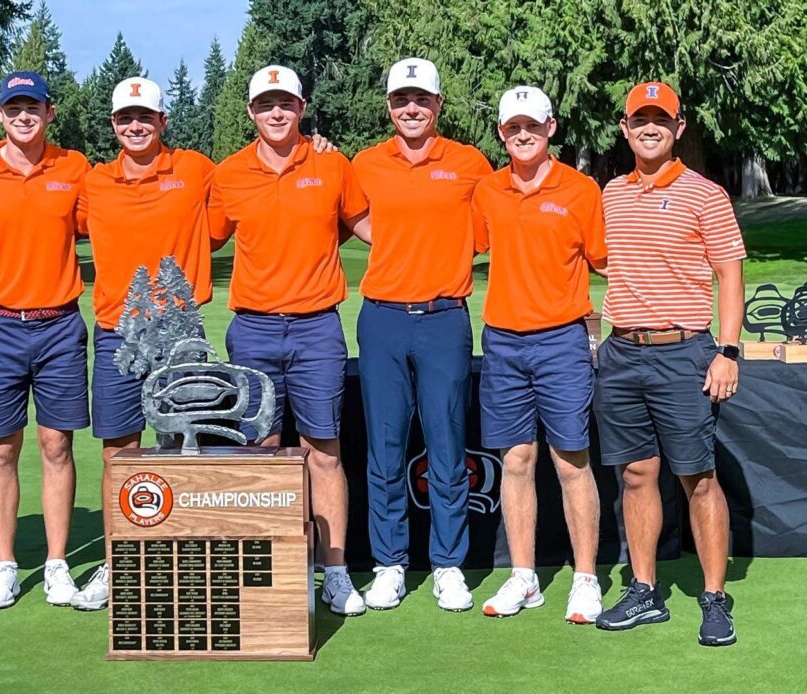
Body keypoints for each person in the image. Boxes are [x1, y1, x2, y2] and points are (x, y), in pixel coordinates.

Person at [209, 64, 372, 616]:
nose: (276, 113)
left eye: (286, 104)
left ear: (302, 109)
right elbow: (202, 235)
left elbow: (365, 223)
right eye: (265, 105)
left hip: (316, 327)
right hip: (252, 329)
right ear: (251, 113)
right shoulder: (228, 173)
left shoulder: (331, 163)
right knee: (259, 452)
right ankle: (271, 568)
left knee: (323, 451)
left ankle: (334, 571)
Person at [594, 82, 744, 647]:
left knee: (698, 479)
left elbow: (729, 274)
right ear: (625, 128)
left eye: (662, 119)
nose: (650, 128)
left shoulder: (706, 194)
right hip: (622, 351)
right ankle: (645, 591)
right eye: (640, 119)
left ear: (679, 129)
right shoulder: (611, 193)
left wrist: (728, 350)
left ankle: (713, 598)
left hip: (685, 353)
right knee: (636, 475)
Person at [68, 76, 215, 610]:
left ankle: (179, 557)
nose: (135, 126)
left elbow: (223, 219)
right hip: (117, 332)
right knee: (119, 451)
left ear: (162, 122)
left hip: (181, 335)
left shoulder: (196, 170)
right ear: (113, 125)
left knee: (185, 445)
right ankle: (120, 561)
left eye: (145, 117)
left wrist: (317, 143)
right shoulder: (93, 182)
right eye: (125, 118)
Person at [351, 58, 492, 611]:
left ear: (437, 105)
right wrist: (390, 240)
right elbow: (346, 214)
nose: (411, 109)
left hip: (444, 318)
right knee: (385, 448)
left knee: (448, 444)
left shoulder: (467, 161)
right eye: (401, 100)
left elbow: (487, 228)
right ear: (388, 106)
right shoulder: (364, 163)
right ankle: (389, 564)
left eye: (422, 100)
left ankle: (448, 564)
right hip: (382, 317)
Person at [471, 86, 607, 623]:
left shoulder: (581, 189)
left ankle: (586, 579)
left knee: (571, 460)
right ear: (502, 133)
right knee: (516, 460)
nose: (522, 134)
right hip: (503, 340)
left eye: (532, 125)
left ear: (551, 128)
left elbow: (603, 260)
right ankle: (524, 577)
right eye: (511, 128)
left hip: (561, 340)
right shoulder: (486, 190)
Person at [0, 71, 91, 609]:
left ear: (50, 112)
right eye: (13, 108)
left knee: (57, 444)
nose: (23, 116)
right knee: (2, 449)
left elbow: (102, 220)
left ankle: (57, 566)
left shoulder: (74, 168)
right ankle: (5, 565)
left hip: (59, 323)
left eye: (32, 106)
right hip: (1, 326)